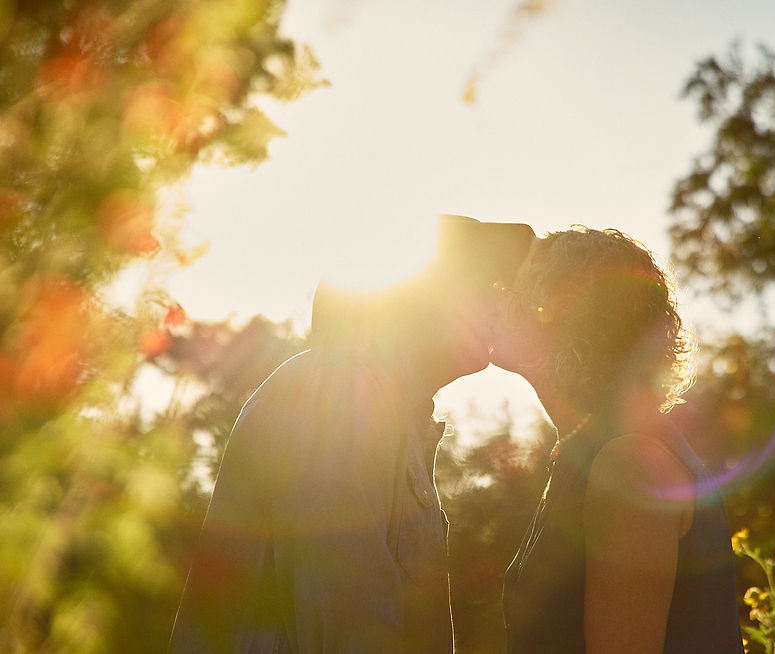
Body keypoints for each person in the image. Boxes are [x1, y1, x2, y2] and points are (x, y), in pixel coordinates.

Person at [169, 215, 534, 653]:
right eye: (488, 288)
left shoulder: (382, 409)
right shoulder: (342, 390)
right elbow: (349, 616)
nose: (502, 306)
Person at [492, 227, 744, 654]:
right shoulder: (590, 449)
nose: (495, 302)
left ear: (559, 314)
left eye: (511, 290)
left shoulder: (629, 462)